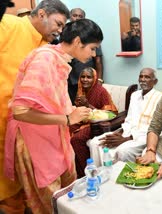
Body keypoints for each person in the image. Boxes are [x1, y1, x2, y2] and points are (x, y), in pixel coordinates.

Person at [4, 18, 102, 213]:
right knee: (49, 202)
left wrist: (74, 113)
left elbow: (51, 100)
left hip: (53, 136)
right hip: (35, 141)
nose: (93, 55)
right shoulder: (44, 59)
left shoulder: (58, 59)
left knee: (67, 193)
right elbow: (21, 111)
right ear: (77, 42)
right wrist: (67, 119)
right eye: (92, 48)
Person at [0, 0, 69, 212]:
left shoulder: (46, 49)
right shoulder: (9, 25)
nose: (59, 30)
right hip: (5, 119)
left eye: (62, 27)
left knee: (23, 183)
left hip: (28, 127)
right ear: (41, 14)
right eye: (58, 24)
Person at [89, 68, 162, 164]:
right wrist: (119, 132)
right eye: (141, 76)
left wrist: (126, 139)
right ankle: (100, 173)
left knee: (122, 151)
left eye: (147, 77)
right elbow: (129, 119)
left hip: (143, 138)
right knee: (95, 142)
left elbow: (155, 128)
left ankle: (119, 176)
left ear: (155, 81)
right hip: (127, 133)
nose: (143, 79)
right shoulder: (135, 95)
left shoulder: (160, 98)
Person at [70, 67, 118, 178]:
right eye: (83, 77)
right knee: (64, 129)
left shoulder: (101, 91)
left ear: (95, 78)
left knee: (77, 139)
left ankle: (86, 172)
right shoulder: (80, 90)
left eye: (89, 77)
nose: (85, 80)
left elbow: (111, 113)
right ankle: (73, 170)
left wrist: (88, 105)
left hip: (96, 124)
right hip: (82, 120)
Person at [68, 8, 104, 105]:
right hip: (70, 83)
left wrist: (99, 80)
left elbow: (98, 61)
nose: (77, 18)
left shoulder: (92, 36)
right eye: (75, 15)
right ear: (70, 17)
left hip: (87, 82)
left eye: (80, 16)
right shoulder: (65, 36)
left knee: (88, 109)